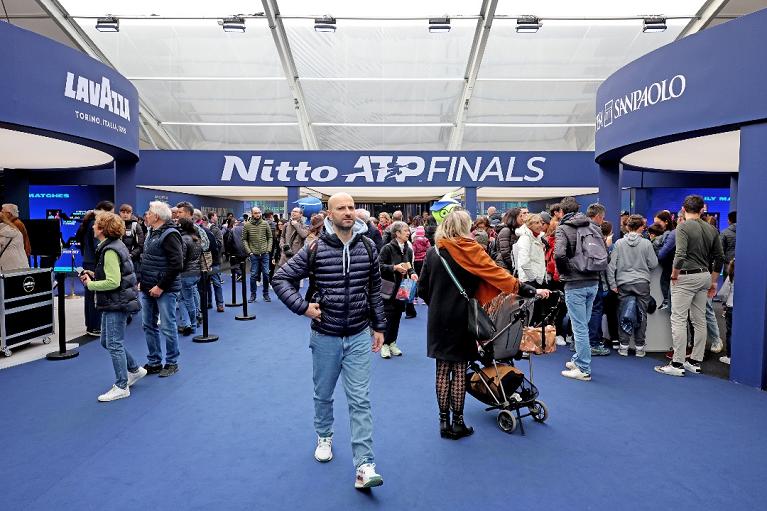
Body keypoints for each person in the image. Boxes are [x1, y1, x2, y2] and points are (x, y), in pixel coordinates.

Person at [272, 192, 386, 490]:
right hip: (325, 336)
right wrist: (303, 306)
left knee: (360, 400)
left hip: (360, 333)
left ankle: (365, 465)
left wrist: (379, 326)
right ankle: (324, 435)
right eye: (341, 208)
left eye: (351, 207)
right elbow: (280, 278)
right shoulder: (315, 247)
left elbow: (374, 289)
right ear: (330, 213)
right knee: (323, 393)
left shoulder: (369, 246)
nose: (348, 212)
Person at [418, 210, 548, 440]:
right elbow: (496, 274)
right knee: (458, 370)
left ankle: (442, 422)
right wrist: (526, 289)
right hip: (463, 317)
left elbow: (422, 290)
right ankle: (457, 423)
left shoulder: (433, 252)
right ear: (464, 228)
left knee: (441, 370)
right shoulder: (472, 250)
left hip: (438, 319)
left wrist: (438, 305)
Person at [655, 195, 724, 377]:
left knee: (678, 319)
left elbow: (680, 254)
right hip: (704, 276)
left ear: (683, 209)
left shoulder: (683, 226)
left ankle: (677, 363)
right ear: (702, 210)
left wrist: (674, 274)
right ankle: (694, 361)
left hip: (685, 277)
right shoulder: (711, 228)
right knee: (699, 320)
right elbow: (720, 258)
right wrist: (714, 281)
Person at [79, 212, 144, 402]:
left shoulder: (109, 250)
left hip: (116, 302)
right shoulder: (114, 246)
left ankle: (121, 385)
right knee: (107, 341)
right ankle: (134, 370)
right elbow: (115, 274)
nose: (92, 226)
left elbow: (113, 282)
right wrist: (94, 273)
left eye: (96, 224)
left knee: (113, 342)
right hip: (116, 301)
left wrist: (91, 285)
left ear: (102, 228)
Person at [554, 197, 607, 381]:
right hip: (593, 280)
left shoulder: (563, 228)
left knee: (579, 327)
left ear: (561, 212)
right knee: (583, 323)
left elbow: (559, 254)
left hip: (575, 283)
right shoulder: (592, 226)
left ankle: (583, 367)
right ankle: (579, 359)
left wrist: (566, 272)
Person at [140, 201, 184, 378]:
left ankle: (172, 362)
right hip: (147, 286)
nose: (146, 215)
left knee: (167, 326)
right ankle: (154, 361)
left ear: (156, 216)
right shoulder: (152, 232)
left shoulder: (170, 234)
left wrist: (160, 286)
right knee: (148, 325)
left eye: (149, 212)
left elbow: (176, 265)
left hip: (165, 288)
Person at [606, 215, 658, 357]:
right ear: (641, 227)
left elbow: (611, 266)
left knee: (623, 314)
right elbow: (653, 264)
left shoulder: (619, 243)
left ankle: (623, 346)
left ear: (627, 227)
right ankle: (640, 347)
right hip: (642, 283)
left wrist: (612, 284)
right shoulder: (647, 243)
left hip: (623, 283)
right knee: (642, 314)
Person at [378, 221, 418, 359]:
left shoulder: (408, 248)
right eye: (405, 230)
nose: (408, 232)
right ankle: (384, 345)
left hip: (403, 287)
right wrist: (394, 267)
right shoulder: (387, 248)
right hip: (389, 288)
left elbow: (408, 265)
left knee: (397, 317)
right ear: (397, 233)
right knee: (388, 317)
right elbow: (379, 266)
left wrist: (412, 272)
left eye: (408, 230)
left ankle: (392, 343)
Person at [76, 201, 114, 337]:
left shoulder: (88, 222)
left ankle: (91, 325)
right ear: (102, 210)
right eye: (110, 212)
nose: (111, 216)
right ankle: (96, 326)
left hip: (88, 262)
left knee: (90, 296)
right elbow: (99, 247)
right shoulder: (95, 224)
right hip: (94, 264)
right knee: (95, 296)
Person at [584, 203, 611, 357]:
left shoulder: (579, 229)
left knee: (582, 312)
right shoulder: (596, 231)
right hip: (594, 277)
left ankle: (579, 342)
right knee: (595, 310)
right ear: (599, 217)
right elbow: (603, 257)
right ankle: (593, 343)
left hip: (578, 277)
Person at [176, 218, 202, 336]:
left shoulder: (183, 239)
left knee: (187, 299)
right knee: (184, 298)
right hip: (196, 272)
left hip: (186, 274)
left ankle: (192, 324)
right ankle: (187, 323)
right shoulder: (196, 239)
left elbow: (182, 259)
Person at [242, 207, 273, 303]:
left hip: (265, 253)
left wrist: (268, 250)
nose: (258, 214)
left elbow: (270, 237)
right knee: (253, 275)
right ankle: (253, 294)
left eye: (259, 212)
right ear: (252, 214)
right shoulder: (247, 225)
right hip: (254, 254)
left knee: (266, 274)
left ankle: (266, 294)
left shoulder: (265, 223)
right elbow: (244, 239)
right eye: (255, 213)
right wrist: (249, 252)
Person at [513, 214, 547, 286]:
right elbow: (524, 261)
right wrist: (533, 279)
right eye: (537, 223)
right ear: (529, 225)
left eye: (541, 222)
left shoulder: (537, 237)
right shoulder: (525, 238)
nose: (540, 225)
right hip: (529, 280)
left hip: (537, 279)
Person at [494, 207, 526, 272]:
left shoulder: (517, 231)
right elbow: (505, 253)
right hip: (504, 266)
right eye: (520, 216)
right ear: (514, 218)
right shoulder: (506, 231)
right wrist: (515, 264)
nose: (523, 218)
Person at [205, 212, 226, 312]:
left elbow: (219, 244)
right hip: (203, 262)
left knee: (216, 283)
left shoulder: (215, 230)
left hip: (214, 261)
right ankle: (208, 302)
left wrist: (207, 241)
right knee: (206, 283)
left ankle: (220, 304)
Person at [717, 259, 735, 365]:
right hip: (743, 308)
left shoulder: (731, 276)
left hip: (731, 305)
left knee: (730, 332)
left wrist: (724, 303)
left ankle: (730, 356)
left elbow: (723, 293)